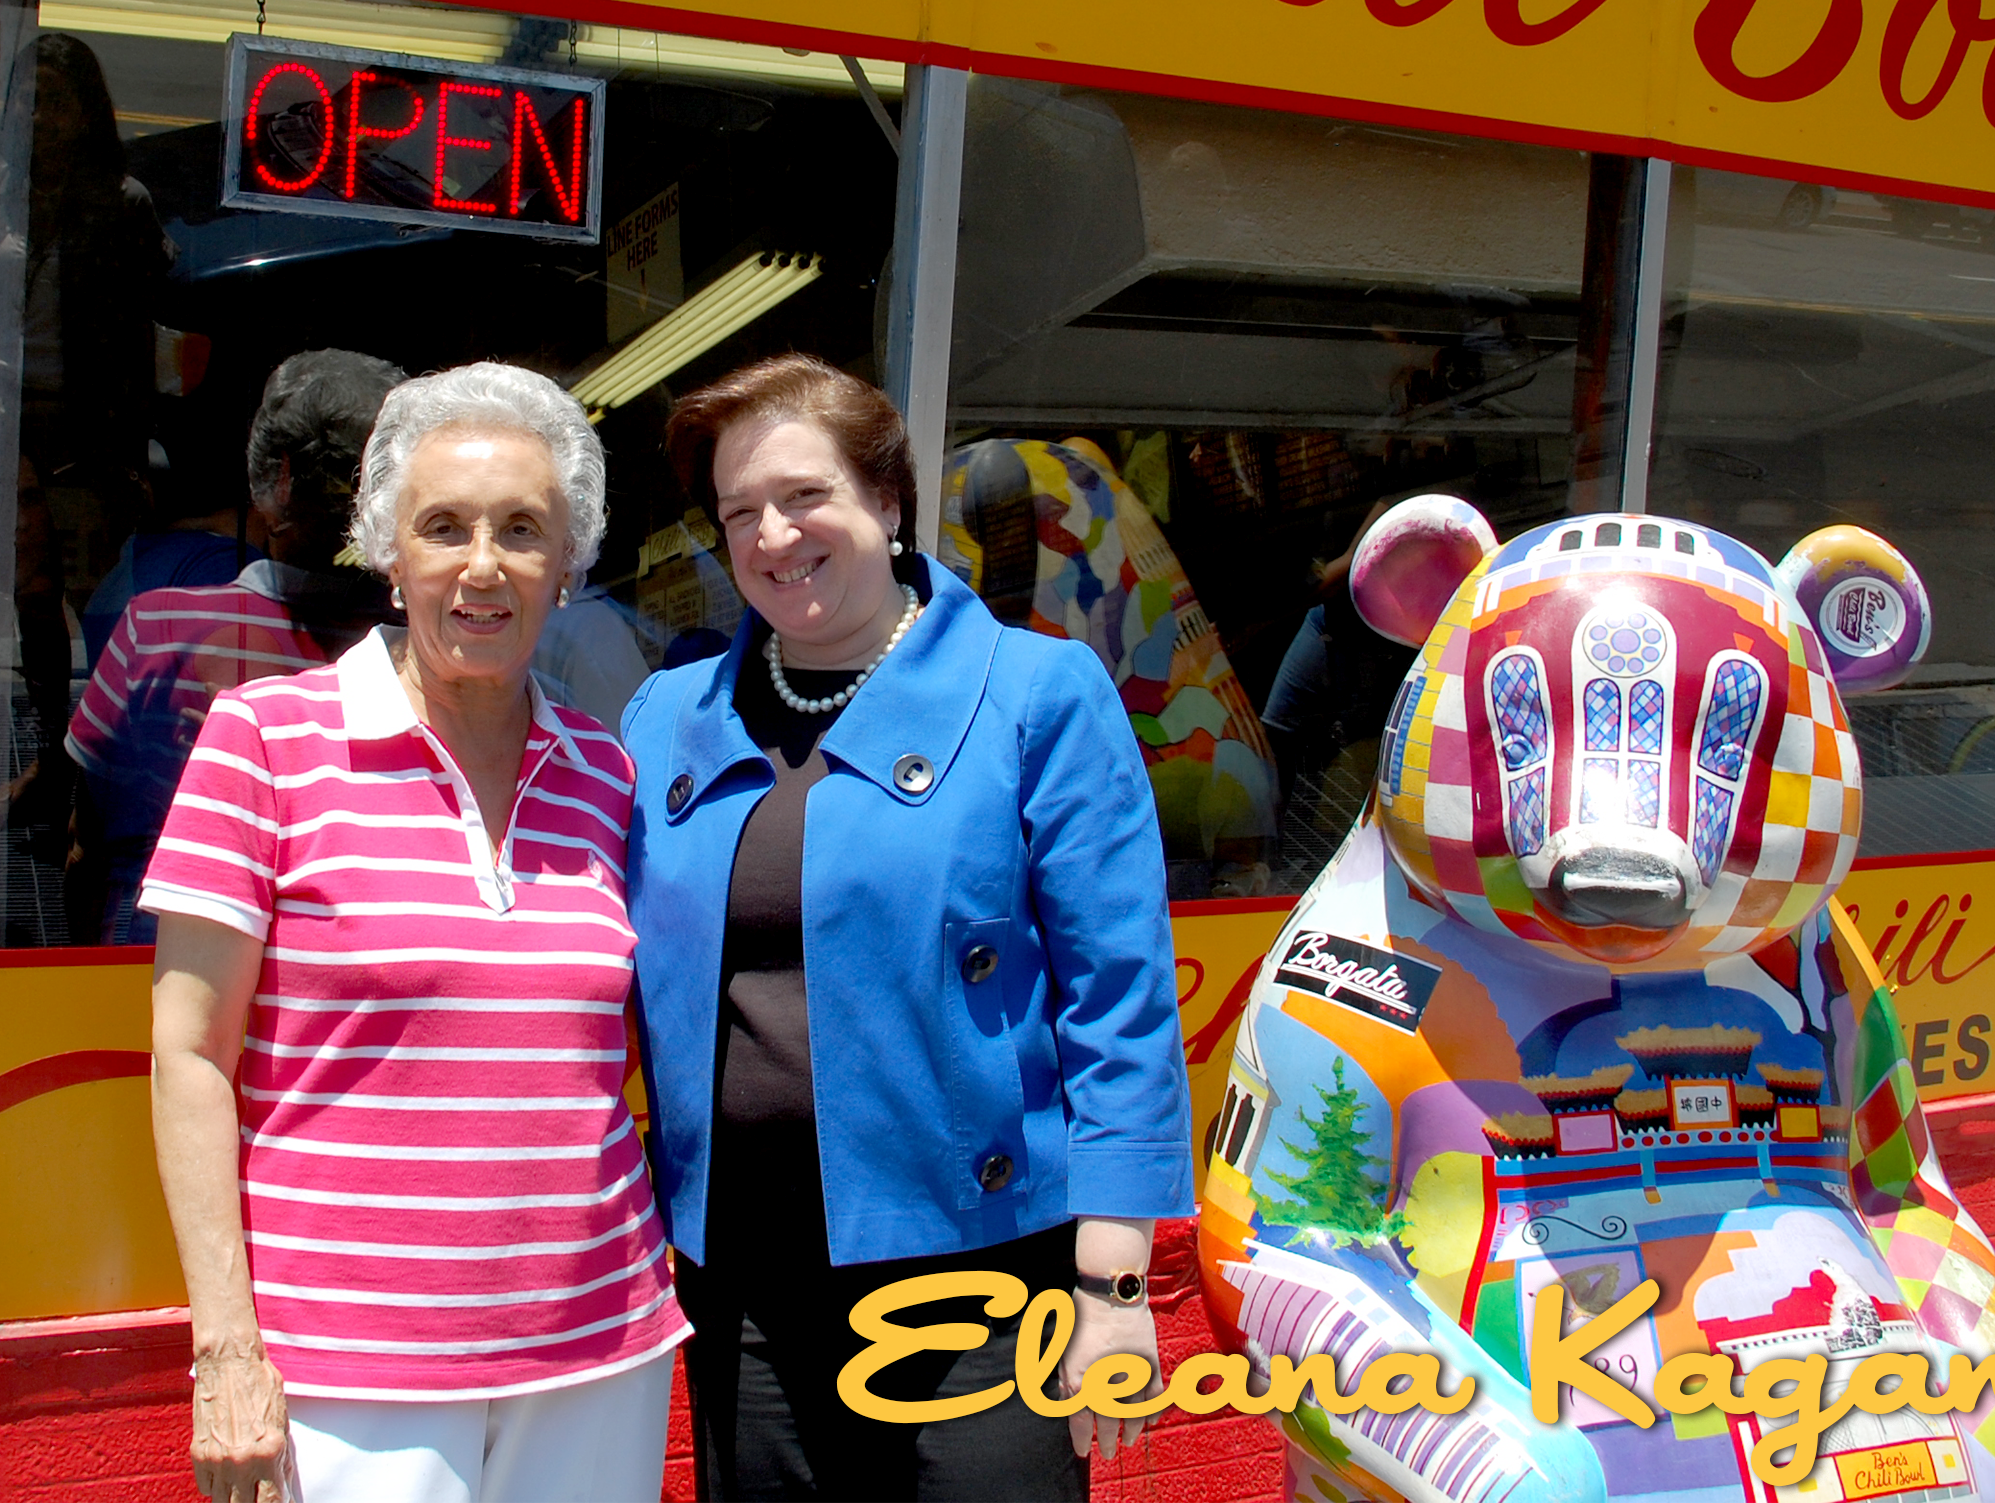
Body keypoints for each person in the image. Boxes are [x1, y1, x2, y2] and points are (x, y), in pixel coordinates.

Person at [624, 354, 1193, 1501]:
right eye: (741, 513)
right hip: (742, 1287)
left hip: (983, 1285)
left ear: (887, 501)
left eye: (804, 496)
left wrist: (1115, 1288)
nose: (774, 536)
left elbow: (1118, 998)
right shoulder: (661, 715)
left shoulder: (1038, 693)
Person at [144, 362, 687, 1503]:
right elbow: (190, 1057)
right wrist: (226, 1349)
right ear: (387, 554)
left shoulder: (606, 772)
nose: (481, 565)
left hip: (597, 1344)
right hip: (351, 1370)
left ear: (567, 565)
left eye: (522, 531)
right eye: (444, 528)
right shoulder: (265, 742)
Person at [69, 349, 404, 944]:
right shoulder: (425, 652)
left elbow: (89, 835)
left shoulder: (160, 626)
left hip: (157, 950)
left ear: (275, 478)